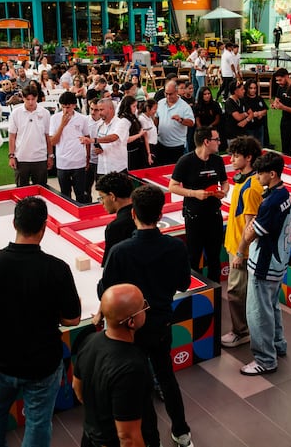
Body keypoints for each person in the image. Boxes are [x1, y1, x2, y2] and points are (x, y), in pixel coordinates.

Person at [0, 196, 81, 447]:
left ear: (14, 223)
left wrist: (0, 309)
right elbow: (72, 319)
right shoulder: (57, 268)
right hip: (43, 363)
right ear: (44, 227)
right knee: (38, 422)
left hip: (1, 359)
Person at [96, 185, 193, 447]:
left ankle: (151, 439)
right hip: (161, 323)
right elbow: (184, 283)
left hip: (130, 329)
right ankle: (182, 432)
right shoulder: (175, 247)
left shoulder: (121, 251)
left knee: (138, 386)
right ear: (160, 214)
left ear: (133, 214)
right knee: (166, 377)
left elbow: (105, 291)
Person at [73, 284, 150, 447]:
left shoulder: (89, 341)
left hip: (89, 437)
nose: (145, 310)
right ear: (131, 322)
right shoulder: (131, 367)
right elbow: (128, 437)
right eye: (142, 307)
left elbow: (77, 387)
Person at [238, 151, 291, 376]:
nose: (257, 177)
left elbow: (251, 233)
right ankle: (278, 345)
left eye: (260, 173)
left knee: (258, 313)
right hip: (279, 262)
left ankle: (265, 359)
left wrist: (246, 237)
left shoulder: (270, 202)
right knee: (272, 307)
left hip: (264, 264)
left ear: (272, 174)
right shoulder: (284, 193)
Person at [169, 126, 229, 281]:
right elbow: (172, 186)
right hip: (194, 217)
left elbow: (225, 181)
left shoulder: (217, 160)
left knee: (214, 257)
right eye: (216, 139)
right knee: (194, 257)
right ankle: (197, 289)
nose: (219, 142)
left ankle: (215, 289)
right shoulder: (186, 161)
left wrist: (224, 192)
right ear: (206, 142)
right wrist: (194, 193)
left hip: (214, 215)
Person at [221, 135, 264, 349]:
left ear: (249, 158)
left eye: (236, 156)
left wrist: (240, 252)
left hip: (242, 250)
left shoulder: (252, 186)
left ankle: (241, 332)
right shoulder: (243, 180)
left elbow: (250, 225)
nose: (231, 160)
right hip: (234, 243)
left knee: (237, 292)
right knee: (238, 290)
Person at [49, 91, 91, 202]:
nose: (65, 110)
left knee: (80, 195)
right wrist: (62, 125)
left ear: (74, 105)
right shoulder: (54, 118)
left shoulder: (82, 119)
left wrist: (87, 158)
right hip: (63, 163)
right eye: (63, 107)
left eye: (67, 107)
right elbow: (53, 142)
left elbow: (87, 138)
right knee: (65, 195)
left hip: (79, 162)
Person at [7, 86, 53, 187]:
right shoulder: (16, 113)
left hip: (40, 158)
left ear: (37, 98)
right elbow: (12, 136)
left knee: (41, 190)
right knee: (21, 190)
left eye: (33, 99)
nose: (31, 102)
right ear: (23, 98)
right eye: (28, 99)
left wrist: (50, 156)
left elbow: (47, 136)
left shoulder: (45, 113)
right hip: (21, 158)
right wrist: (11, 156)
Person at [81, 98, 129, 177]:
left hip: (118, 168)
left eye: (101, 110)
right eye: (98, 110)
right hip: (102, 168)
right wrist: (97, 149)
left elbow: (114, 137)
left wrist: (93, 140)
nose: (99, 113)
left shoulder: (121, 122)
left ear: (111, 109)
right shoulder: (99, 124)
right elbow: (99, 142)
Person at [95, 171, 135, 258]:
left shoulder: (115, 228)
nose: (102, 203)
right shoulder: (144, 215)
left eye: (102, 197)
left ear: (112, 196)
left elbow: (111, 262)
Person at [155, 80, 194, 165]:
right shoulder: (160, 103)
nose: (168, 96)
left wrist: (181, 120)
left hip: (177, 146)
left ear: (176, 92)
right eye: (166, 93)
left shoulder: (184, 106)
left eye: (170, 94)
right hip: (161, 144)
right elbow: (156, 119)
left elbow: (191, 123)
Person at [270, 68, 291, 154]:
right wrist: (274, 105)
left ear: (286, 76)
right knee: (285, 146)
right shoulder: (280, 87)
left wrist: (283, 107)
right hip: (285, 120)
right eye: (277, 80)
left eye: (280, 80)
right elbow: (277, 100)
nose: (278, 82)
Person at [222, 81, 250, 146]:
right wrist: (246, 114)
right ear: (235, 91)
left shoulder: (241, 99)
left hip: (242, 133)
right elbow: (238, 117)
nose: (244, 91)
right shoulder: (229, 102)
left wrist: (246, 120)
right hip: (232, 135)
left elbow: (251, 113)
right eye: (242, 89)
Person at [243, 79, 268, 147]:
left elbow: (265, 110)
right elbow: (243, 113)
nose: (253, 90)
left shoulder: (259, 98)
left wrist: (260, 113)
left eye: (255, 88)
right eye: (251, 88)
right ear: (247, 88)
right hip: (249, 128)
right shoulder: (244, 99)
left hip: (259, 126)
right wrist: (253, 115)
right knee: (250, 147)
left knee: (260, 146)